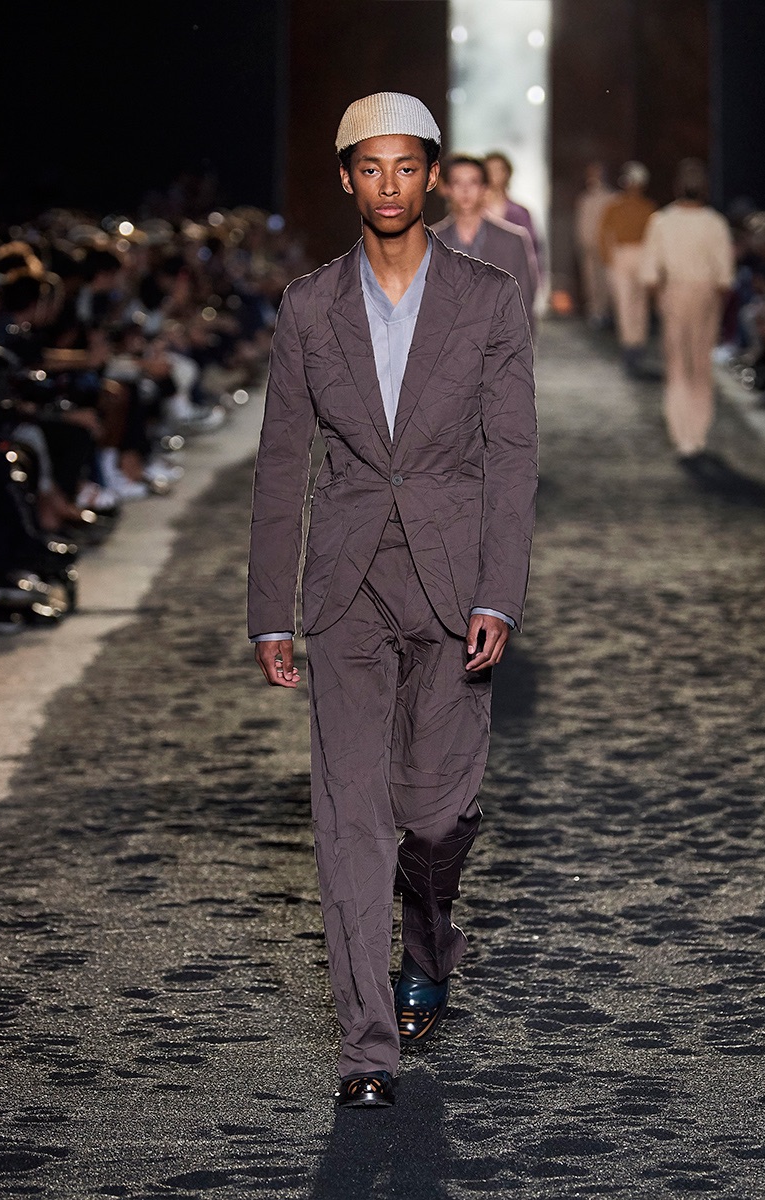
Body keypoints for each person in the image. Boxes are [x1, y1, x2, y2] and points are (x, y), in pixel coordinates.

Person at [247, 93, 537, 1108]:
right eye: (369, 167)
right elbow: (282, 461)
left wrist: (500, 592)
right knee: (350, 817)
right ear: (345, 178)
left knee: (435, 814)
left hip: (454, 583)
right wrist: (271, 610)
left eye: (405, 167)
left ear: (431, 175)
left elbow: (513, 456)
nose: (388, 185)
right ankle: (366, 1048)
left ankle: (428, 943)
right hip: (346, 588)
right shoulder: (307, 306)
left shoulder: (490, 298)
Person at [639, 158, 735, 460]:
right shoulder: (715, 223)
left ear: (677, 187)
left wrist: (661, 299)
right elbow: (725, 276)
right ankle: (697, 433)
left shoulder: (662, 221)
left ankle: (683, 435)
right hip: (706, 293)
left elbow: (650, 273)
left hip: (675, 291)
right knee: (701, 366)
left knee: (678, 365)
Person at [432, 154, 539, 333]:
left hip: (499, 343)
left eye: (473, 182)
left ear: (484, 188)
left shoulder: (513, 240)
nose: (465, 190)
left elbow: (525, 302)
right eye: (458, 183)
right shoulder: (431, 242)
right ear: (447, 188)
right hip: (445, 344)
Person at [598, 161, 656, 377]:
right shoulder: (615, 207)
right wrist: (608, 258)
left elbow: (654, 236)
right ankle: (629, 348)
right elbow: (603, 233)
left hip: (641, 253)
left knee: (639, 304)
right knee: (624, 303)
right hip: (622, 254)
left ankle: (636, 347)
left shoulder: (647, 208)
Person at [484, 150, 543, 270]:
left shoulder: (520, 213)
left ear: (507, 173)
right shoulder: (473, 212)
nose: (493, 174)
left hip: (513, 272)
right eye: (489, 170)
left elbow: (532, 249)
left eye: (498, 169)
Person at [574, 161, 616, 328]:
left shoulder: (611, 197)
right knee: (591, 281)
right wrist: (582, 242)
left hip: (606, 247)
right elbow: (581, 223)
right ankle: (595, 312)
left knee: (606, 280)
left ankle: (606, 312)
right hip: (589, 247)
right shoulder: (585, 198)